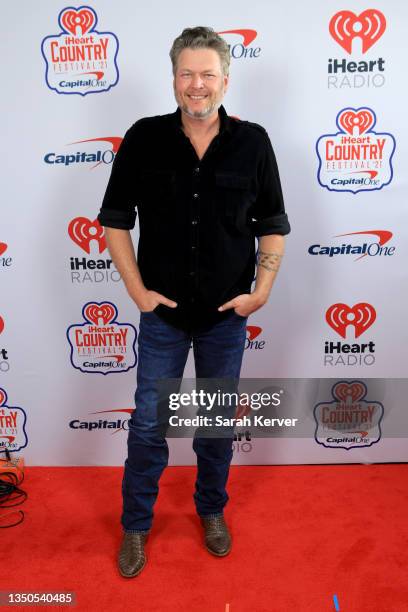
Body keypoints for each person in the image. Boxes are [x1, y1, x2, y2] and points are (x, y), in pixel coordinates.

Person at [97, 26, 290, 578]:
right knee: (148, 428)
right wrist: (137, 293)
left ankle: (211, 511)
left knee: (215, 426)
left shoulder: (253, 142)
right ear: (174, 78)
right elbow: (115, 220)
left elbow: (272, 226)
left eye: (207, 74)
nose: (197, 85)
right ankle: (135, 525)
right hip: (162, 317)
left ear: (226, 79)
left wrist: (262, 292)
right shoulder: (143, 137)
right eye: (187, 73)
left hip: (226, 319)